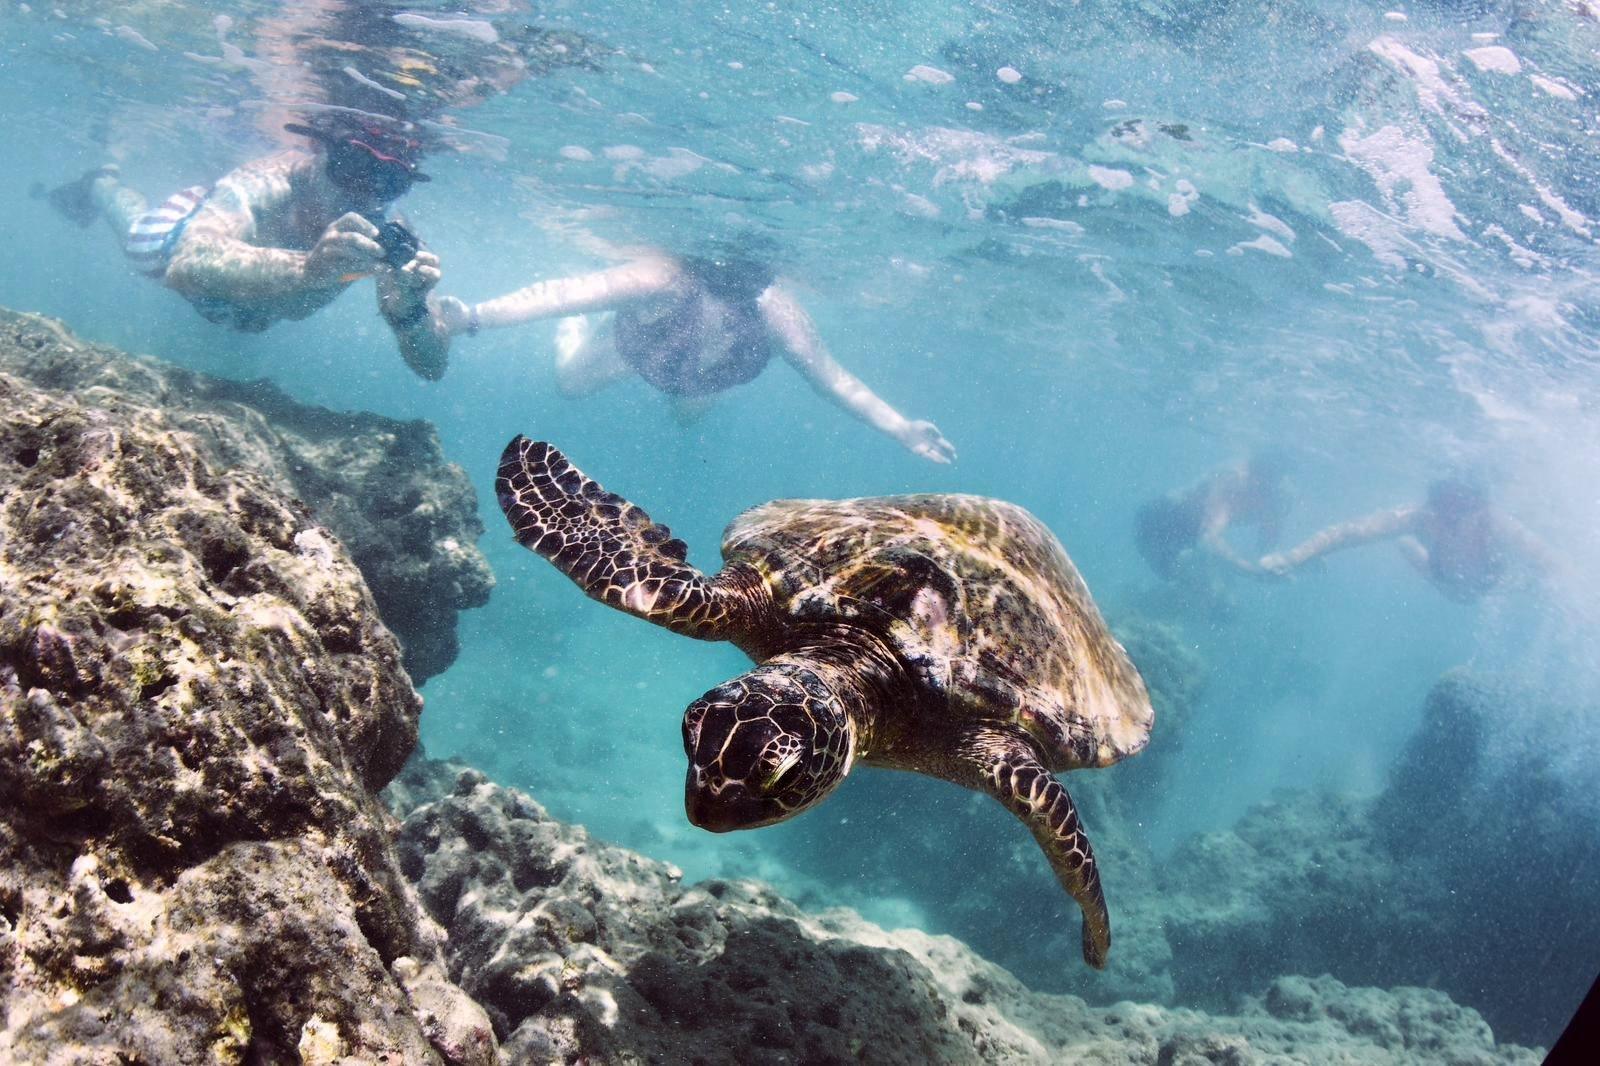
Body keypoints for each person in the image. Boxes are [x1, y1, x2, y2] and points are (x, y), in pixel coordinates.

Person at [36, 112, 451, 380]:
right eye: (355, 167)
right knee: (142, 242)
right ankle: (101, 182)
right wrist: (306, 269)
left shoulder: (390, 231)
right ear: (319, 150)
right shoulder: (275, 179)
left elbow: (431, 367)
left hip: (251, 310)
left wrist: (407, 314)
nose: (366, 193)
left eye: (390, 182)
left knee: (250, 315)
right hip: (185, 240)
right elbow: (187, 261)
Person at [435, 254, 957, 463]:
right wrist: (476, 317)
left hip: (707, 380)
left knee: (685, 419)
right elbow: (563, 294)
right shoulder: (659, 278)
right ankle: (575, 338)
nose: (730, 313)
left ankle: (704, 388)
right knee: (569, 384)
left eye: (743, 304)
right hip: (641, 349)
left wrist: (902, 429)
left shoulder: (779, 319)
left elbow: (831, 380)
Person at [1259, 478, 1556, 603]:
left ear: (1477, 504)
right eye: (1441, 506)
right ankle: (1399, 541)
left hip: (1492, 588)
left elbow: (1548, 560)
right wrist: (1294, 557)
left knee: (1532, 576)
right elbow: (1349, 533)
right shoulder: (1420, 516)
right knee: (1403, 542)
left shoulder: (1494, 521)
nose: (1449, 517)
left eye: (1460, 508)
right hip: (1442, 580)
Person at [1134, 452, 1290, 578]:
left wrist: (1269, 563)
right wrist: (1248, 569)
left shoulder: (1277, 497)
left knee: (1194, 584)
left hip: (1188, 532)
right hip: (1160, 520)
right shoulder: (1232, 483)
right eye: (1263, 483)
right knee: (1175, 576)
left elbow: (1266, 549)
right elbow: (1209, 538)